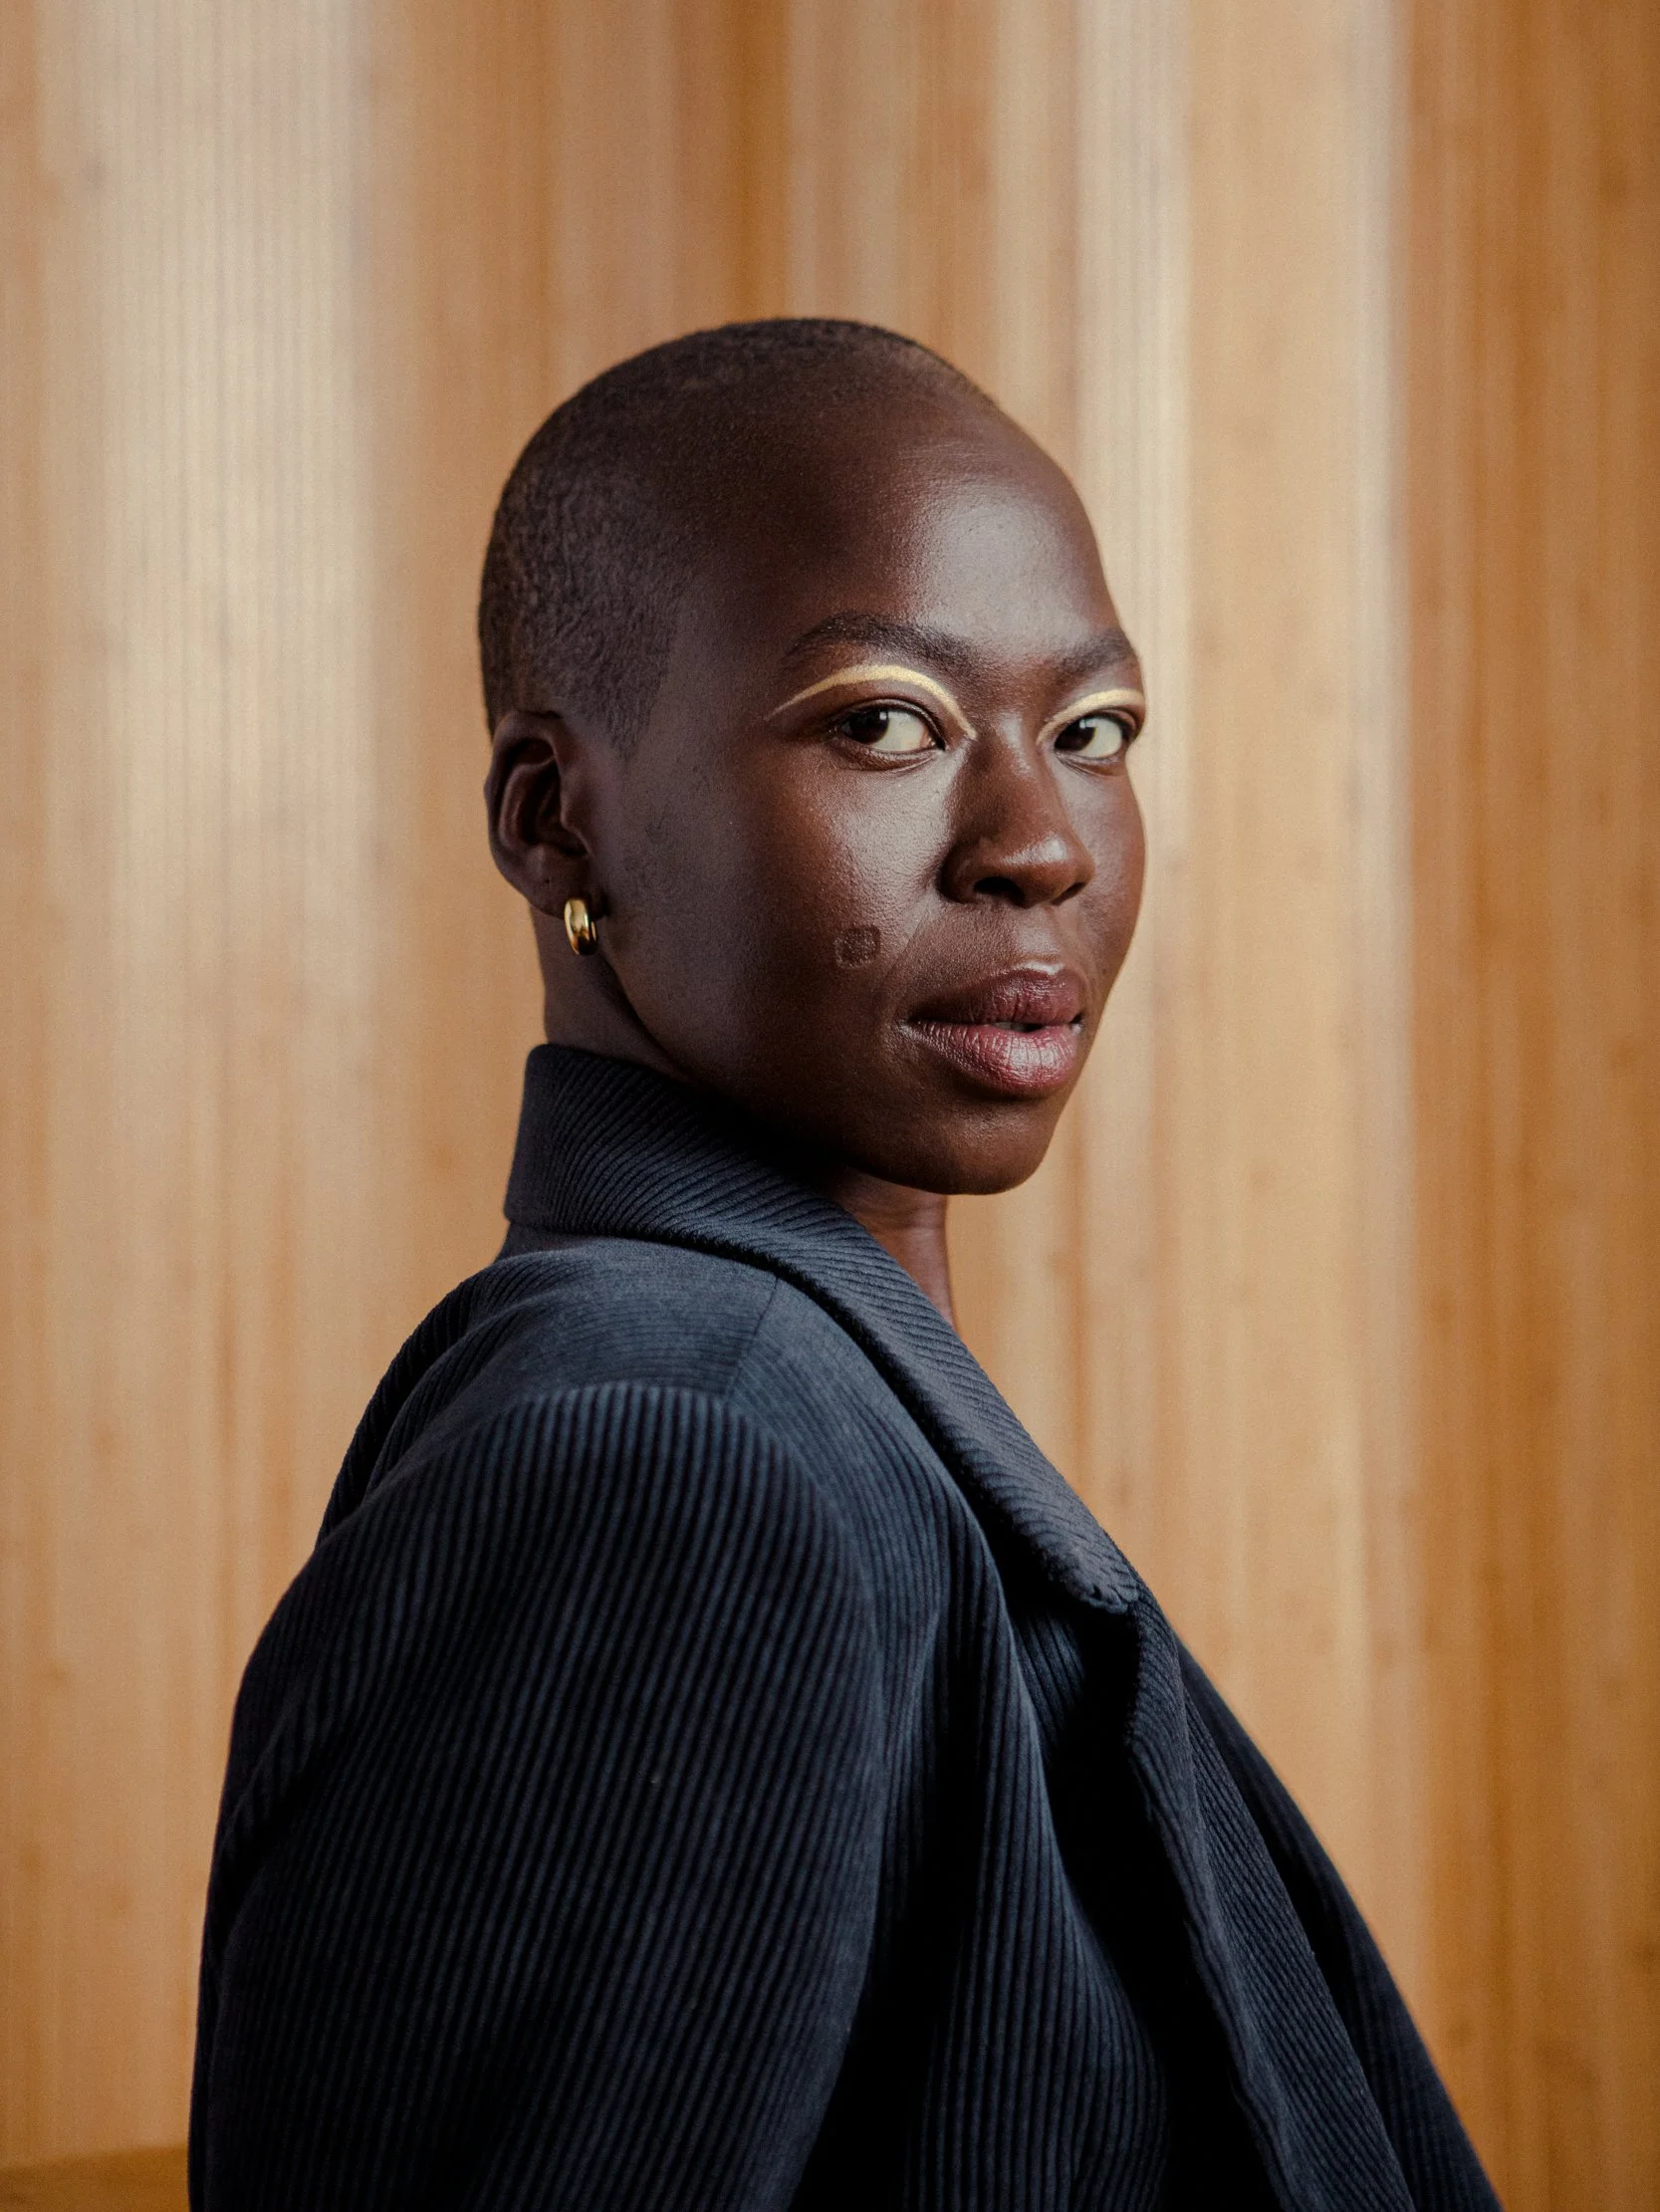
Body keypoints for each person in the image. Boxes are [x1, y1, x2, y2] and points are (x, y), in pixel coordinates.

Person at [189, 320, 1498, 2210]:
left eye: (1095, 733)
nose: (1038, 842)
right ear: (553, 817)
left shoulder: (815, 1405)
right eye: (884, 719)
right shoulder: (668, 1463)